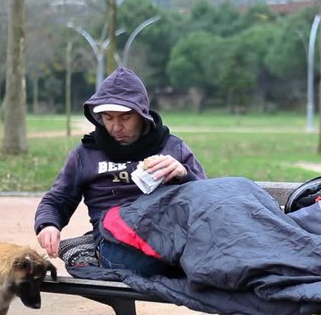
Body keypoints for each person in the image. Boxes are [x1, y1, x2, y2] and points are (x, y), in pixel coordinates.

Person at [34, 67, 206, 277]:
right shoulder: (86, 153)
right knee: (155, 266)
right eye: (108, 118)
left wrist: (184, 174)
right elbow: (57, 199)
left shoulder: (173, 148)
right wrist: (48, 225)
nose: (116, 127)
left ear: (142, 114)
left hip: (168, 235)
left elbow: (206, 201)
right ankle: (93, 246)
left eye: (125, 118)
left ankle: (87, 247)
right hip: (116, 241)